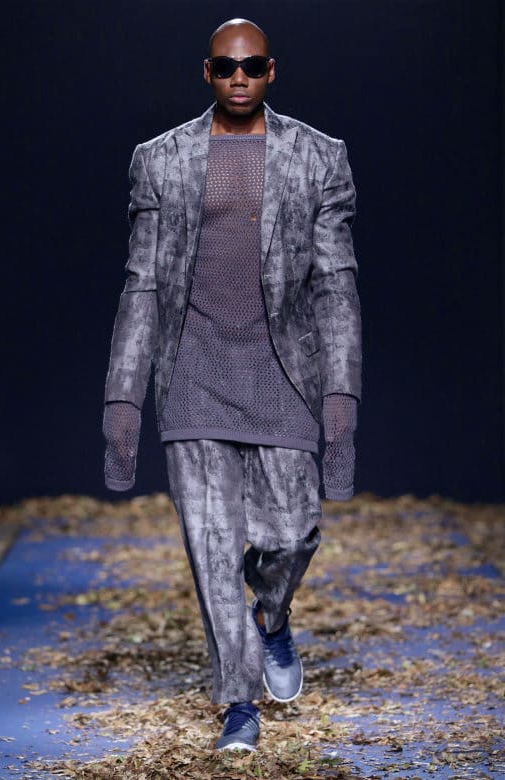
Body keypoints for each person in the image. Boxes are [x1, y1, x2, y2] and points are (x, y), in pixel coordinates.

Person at [102, 18, 362, 752]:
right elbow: (142, 285)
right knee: (213, 548)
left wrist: (342, 396)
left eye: (251, 66)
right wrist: (123, 397)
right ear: (208, 73)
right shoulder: (160, 160)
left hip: (284, 374)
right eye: (225, 67)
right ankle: (239, 705)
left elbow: (336, 285)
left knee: (292, 536)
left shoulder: (319, 157)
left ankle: (271, 618)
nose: (238, 78)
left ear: (271, 71)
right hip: (193, 374)